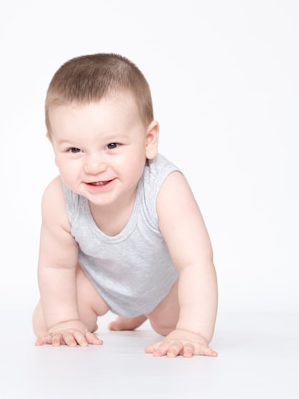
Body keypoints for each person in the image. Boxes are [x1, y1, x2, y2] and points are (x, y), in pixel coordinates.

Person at [32, 53, 218, 358]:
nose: (93, 165)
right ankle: (95, 317)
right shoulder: (58, 199)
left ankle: (145, 312)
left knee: (172, 327)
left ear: (149, 140)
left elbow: (196, 262)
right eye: (74, 149)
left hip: (161, 287)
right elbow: (56, 265)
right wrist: (64, 321)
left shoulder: (165, 189)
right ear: (53, 147)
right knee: (46, 324)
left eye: (112, 146)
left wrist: (192, 331)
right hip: (99, 285)